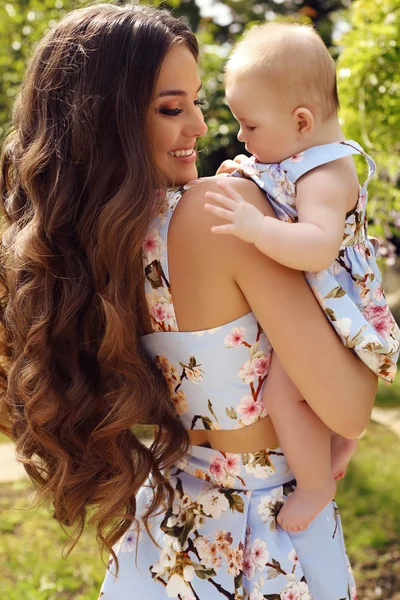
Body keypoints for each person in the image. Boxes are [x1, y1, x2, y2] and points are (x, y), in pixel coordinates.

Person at [0, 5, 377, 600]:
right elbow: (350, 410)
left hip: (167, 531)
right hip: (267, 533)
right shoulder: (215, 214)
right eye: (173, 108)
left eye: (198, 102)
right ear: (108, 122)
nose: (201, 126)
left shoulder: (91, 248)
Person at [204, 22, 400, 533]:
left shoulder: (327, 175)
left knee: (282, 394)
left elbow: (314, 249)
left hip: (337, 308)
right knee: (306, 389)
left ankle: (316, 485)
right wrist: (247, 173)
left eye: (250, 126)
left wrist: (254, 226)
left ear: (301, 121)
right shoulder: (298, 156)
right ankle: (342, 438)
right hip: (324, 302)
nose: (242, 137)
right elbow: (277, 185)